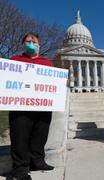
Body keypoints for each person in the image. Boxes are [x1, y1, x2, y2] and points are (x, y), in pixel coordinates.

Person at [9, 32, 54, 180]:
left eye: (34, 42)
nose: (31, 44)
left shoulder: (47, 63)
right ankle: (20, 169)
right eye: (28, 41)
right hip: (21, 107)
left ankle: (37, 161)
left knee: (40, 136)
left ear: (39, 45)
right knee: (19, 137)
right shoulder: (14, 61)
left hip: (43, 106)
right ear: (23, 44)